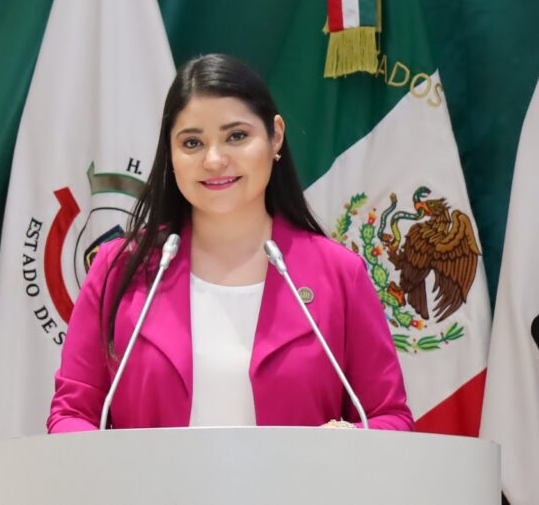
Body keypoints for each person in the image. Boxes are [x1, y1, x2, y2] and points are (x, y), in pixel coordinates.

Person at [48, 54, 413, 432]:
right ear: (170, 154)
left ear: (276, 136)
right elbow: (71, 416)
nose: (214, 159)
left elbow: (390, 417)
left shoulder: (339, 274)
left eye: (236, 136)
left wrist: (346, 441)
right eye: (192, 142)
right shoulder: (118, 268)